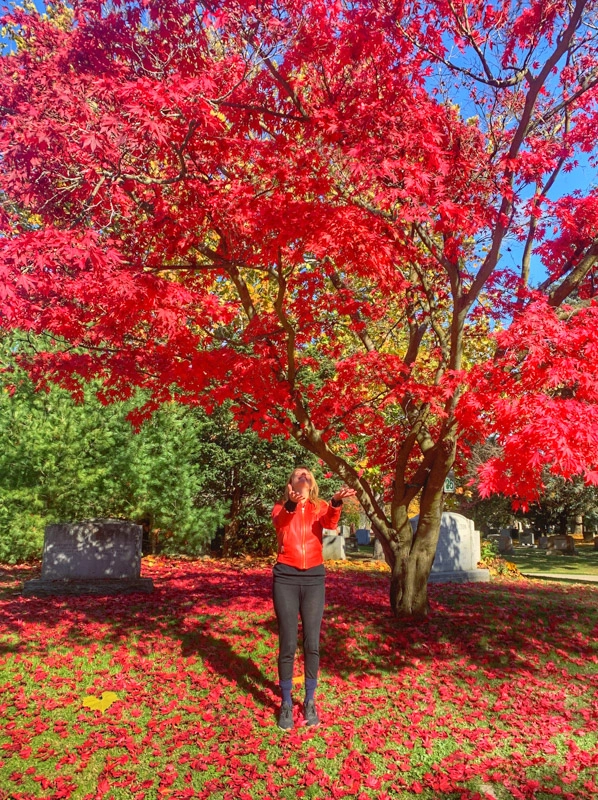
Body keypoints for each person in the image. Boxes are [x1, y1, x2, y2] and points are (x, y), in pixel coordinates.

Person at [271, 466, 356, 729]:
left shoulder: (319, 506)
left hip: (314, 579)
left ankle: (309, 701)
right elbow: (281, 523)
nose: (303, 476)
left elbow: (330, 523)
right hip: (285, 576)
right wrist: (290, 504)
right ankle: (286, 702)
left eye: (307, 474)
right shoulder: (280, 507)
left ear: (313, 482)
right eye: (298, 474)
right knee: (288, 641)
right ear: (290, 484)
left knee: (312, 642)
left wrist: (336, 502)